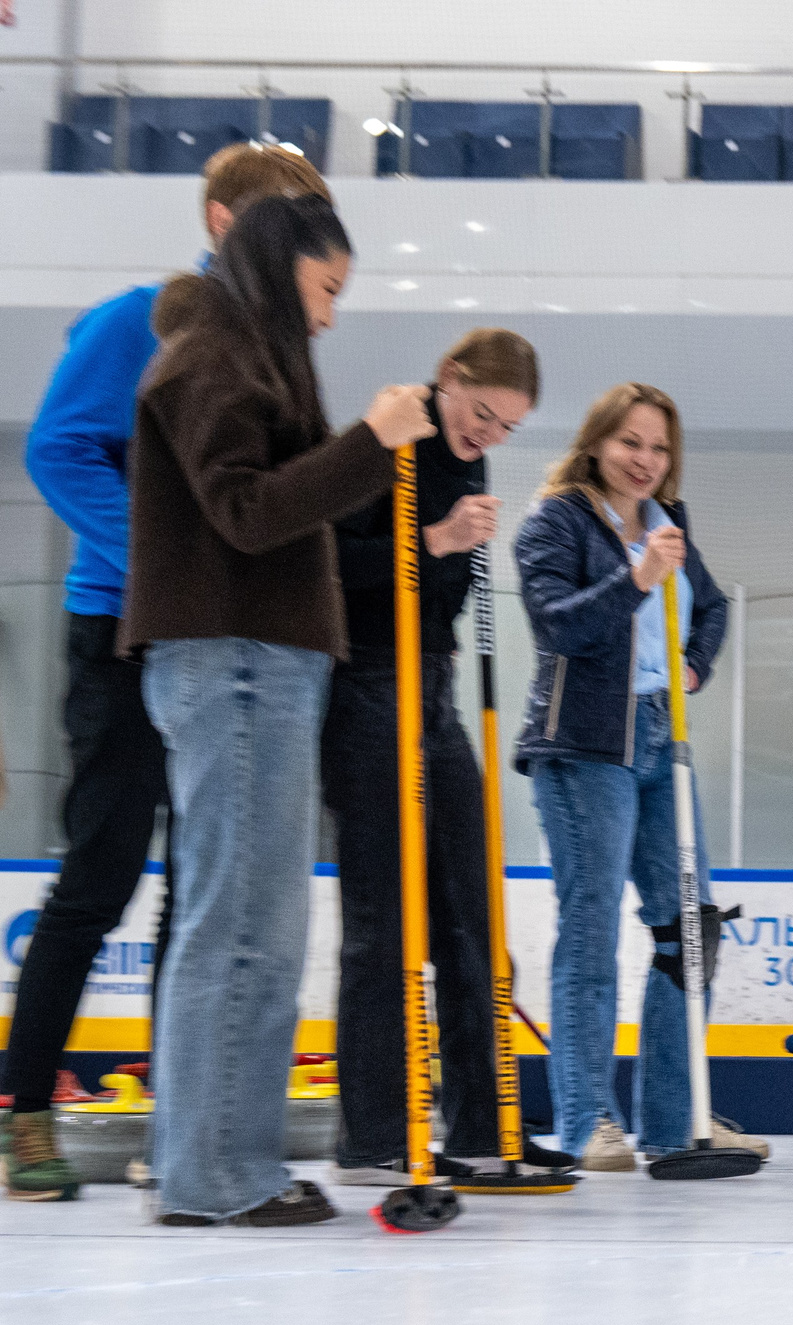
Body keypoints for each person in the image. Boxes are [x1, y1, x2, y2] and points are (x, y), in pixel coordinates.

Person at [7, 142, 331, 1205]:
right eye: (281, 216)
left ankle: (181, 1118)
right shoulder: (150, 320)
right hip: (126, 625)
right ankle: (26, 1110)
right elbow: (58, 448)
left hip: (221, 633)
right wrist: (154, 561)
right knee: (100, 875)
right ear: (222, 219)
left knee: (212, 883)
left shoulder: (271, 339)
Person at [123, 194, 435, 1226]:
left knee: (259, 923)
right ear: (276, 265)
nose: (332, 316)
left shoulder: (238, 355)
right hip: (237, 662)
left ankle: (225, 1157)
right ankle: (212, 1170)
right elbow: (250, 513)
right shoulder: (210, 358)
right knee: (242, 928)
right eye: (326, 290)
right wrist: (374, 441)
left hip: (259, 662)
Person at [324, 329, 569, 1186]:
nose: (489, 438)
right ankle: (374, 1134)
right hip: (364, 684)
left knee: (473, 907)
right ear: (449, 379)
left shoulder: (470, 459)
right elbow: (325, 563)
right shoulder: (389, 432)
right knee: (386, 918)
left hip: (432, 682)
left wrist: (451, 551)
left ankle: (483, 1122)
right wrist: (433, 541)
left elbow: (445, 593)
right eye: (483, 416)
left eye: (507, 429)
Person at [514, 383, 741, 1172]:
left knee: (693, 928)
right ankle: (587, 1121)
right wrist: (637, 578)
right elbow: (558, 625)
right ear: (597, 443)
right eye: (630, 443)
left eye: (659, 447)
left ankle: (677, 1122)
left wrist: (695, 663)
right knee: (591, 928)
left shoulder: (669, 524)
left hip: (660, 735)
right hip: (582, 746)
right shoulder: (557, 520)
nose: (645, 461)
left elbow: (710, 607)